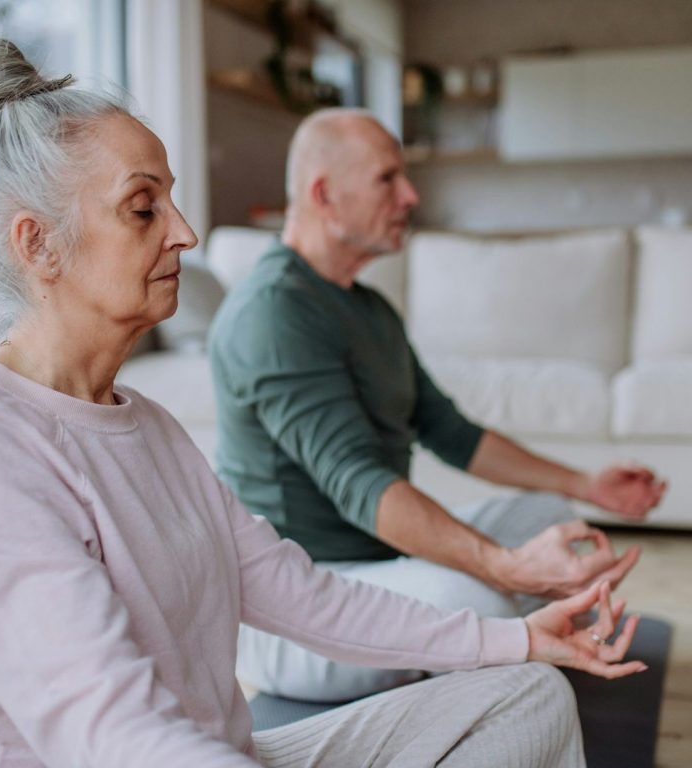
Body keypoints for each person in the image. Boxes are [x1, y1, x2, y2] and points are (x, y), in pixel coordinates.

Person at [0, 38, 649, 768]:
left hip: (216, 751)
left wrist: (523, 637)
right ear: (38, 245)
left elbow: (305, 595)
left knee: (527, 693)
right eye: (144, 208)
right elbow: (113, 736)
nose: (186, 231)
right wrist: (502, 574)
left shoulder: (149, 426)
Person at [208, 107, 667, 702]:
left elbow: (450, 432)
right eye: (387, 178)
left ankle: (494, 636)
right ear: (325, 194)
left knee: (553, 520)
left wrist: (587, 485)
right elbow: (360, 483)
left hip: (379, 562)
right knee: (481, 600)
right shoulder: (273, 314)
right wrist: (503, 567)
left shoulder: (369, 309)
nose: (410, 194)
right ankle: (495, 641)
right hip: (304, 607)